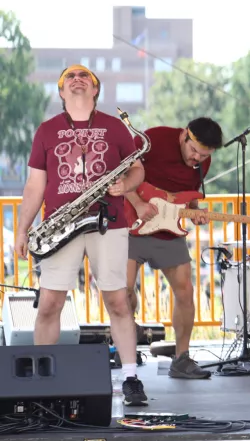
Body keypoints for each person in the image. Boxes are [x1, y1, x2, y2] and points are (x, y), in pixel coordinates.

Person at [14, 64, 148, 405]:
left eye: (84, 76)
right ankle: (42, 379)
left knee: (117, 301)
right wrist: (21, 230)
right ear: (61, 92)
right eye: (69, 78)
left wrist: (126, 184)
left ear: (95, 90)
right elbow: (34, 185)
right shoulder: (46, 130)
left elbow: (137, 167)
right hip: (60, 226)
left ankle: (131, 377)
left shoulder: (115, 126)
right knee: (49, 304)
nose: (76, 80)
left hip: (108, 222)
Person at [124, 118, 223, 379]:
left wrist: (196, 212)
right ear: (184, 136)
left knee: (185, 291)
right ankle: (126, 342)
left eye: (205, 155)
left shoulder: (202, 162)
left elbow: (188, 195)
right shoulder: (153, 139)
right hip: (131, 222)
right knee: (122, 291)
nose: (197, 158)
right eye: (194, 151)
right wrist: (137, 203)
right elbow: (121, 173)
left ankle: (182, 359)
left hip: (169, 231)